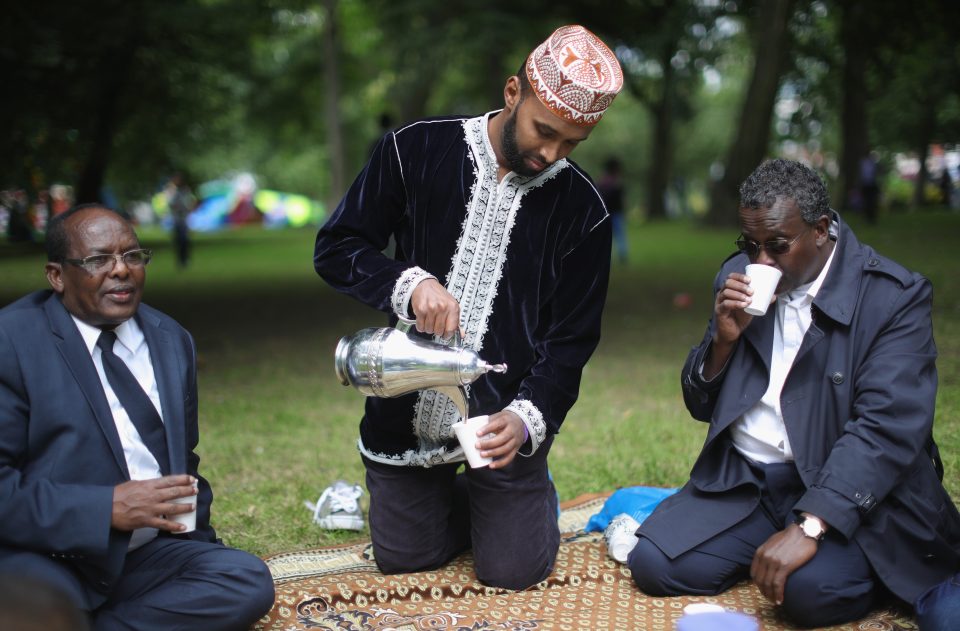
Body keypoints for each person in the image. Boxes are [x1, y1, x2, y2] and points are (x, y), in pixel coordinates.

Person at [314, 25, 623, 590]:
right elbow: (337, 247)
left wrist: (526, 419)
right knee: (407, 559)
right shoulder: (415, 149)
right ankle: (458, 503)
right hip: (403, 414)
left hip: (502, 422)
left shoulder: (585, 211)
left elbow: (571, 340)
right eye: (544, 131)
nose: (551, 154)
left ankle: (517, 500)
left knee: (513, 571)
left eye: (571, 144)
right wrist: (407, 284)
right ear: (513, 93)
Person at [627, 159, 960, 628]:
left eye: (777, 246)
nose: (760, 262)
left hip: (839, 486)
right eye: (749, 244)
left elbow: (886, 429)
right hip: (748, 484)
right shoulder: (739, 277)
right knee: (656, 564)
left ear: (821, 229)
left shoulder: (892, 297)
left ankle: (833, 556)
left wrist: (811, 524)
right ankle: (769, 546)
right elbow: (700, 404)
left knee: (808, 594)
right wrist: (723, 342)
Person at [0, 204, 275, 629]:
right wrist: (104, 509)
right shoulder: (13, 342)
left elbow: (184, 461)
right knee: (41, 610)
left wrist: (199, 541)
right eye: (97, 260)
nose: (121, 270)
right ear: (56, 276)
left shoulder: (171, 340)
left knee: (245, 579)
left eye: (132, 256)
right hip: (47, 552)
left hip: (144, 554)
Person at [597, 156, 628, 263]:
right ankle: (622, 256)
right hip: (615, 213)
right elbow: (622, 198)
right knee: (619, 236)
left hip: (606, 213)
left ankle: (606, 257)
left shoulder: (603, 181)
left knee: (607, 237)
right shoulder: (616, 182)